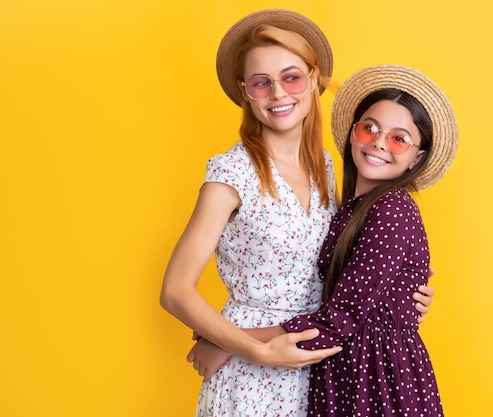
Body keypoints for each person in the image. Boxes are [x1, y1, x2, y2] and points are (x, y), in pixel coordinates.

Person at [160, 9, 435, 417]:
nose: (278, 94)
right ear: (245, 92)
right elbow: (175, 290)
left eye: (291, 77)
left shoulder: (325, 166)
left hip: (323, 363)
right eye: (261, 83)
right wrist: (249, 348)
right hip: (250, 366)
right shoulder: (232, 173)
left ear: (313, 80)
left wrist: (399, 297)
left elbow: (349, 269)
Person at [281, 64, 459, 416]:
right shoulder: (349, 208)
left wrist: (231, 342)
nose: (379, 142)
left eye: (398, 138)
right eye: (370, 128)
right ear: (352, 133)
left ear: (416, 158)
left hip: (378, 379)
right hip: (348, 370)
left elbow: (340, 319)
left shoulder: (392, 209)